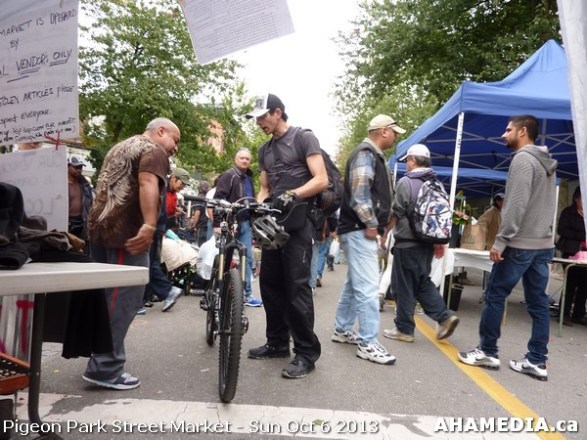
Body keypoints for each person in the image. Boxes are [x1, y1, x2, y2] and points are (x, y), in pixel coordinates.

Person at [82, 117, 181, 390]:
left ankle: (100, 357)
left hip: (100, 229)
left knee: (105, 298)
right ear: (160, 131)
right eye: (175, 140)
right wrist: (149, 224)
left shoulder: (119, 147)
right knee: (123, 299)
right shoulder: (154, 150)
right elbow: (147, 182)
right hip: (126, 234)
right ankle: (105, 367)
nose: (175, 148)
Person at [457, 115, 557, 381]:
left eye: (508, 129)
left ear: (523, 132)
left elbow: (515, 204)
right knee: (538, 303)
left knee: (495, 294)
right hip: (543, 242)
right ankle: (537, 360)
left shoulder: (523, 159)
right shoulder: (547, 163)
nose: (503, 134)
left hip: (520, 242)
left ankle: (487, 351)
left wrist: (501, 240)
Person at [245, 93, 328, 379]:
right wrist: (259, 205)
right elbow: (264, 188)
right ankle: (278, 343)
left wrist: (293, 194)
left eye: (262, 116)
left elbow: (321, 179)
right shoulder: (264, 150)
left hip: (299, 222)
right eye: (256, 118)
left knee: (296, 287)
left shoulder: (304, 137)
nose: (259, 122)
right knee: (270, 284)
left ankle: (306, 353)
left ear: (277, 112)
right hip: (272, 223)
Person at [332, 114, 404, 365]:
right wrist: (372, 223)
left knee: (356, 284)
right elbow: (360, 194)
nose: (396, 137)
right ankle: (368, 342)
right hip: (360, 228)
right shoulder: (366, 153)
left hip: (356, 227)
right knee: (369, 287)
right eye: (394, 132)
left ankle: (342, 329)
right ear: (383, 131)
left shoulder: (370, 154)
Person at [383, 143, 459, 344]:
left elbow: (396, 212)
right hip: (427, 243)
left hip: (407, 243)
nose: (406, 164)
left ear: (413, 160)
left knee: (402, 286)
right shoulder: (436, 184)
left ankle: (405, 329)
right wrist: (439, 242)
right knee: (421, 281)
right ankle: (444, 317)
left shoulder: (406, 182)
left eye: (408, 160)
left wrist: (384, 234)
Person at [213, 147, 262, 307]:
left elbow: (251, 200)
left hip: (245, 223)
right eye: (242, 158)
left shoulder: (248, 178)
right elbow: (217, 200)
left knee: (247, 258)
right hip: (230, 222)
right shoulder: (228, 176)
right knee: (225, 257)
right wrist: (217, 223)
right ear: (236, 159)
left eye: (247, 158)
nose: (245, 161)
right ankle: (219, 292)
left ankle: (247, 295)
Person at [556, 186, 587, 325]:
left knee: (584, 284)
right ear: (576, 199)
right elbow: (561, 230)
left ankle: (578, 314)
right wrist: (580, 235)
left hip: (585, 254)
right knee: (571, 283)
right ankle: (564, 314)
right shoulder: (568, 212)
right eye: (582, 199)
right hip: (571, 252)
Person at [67, 156, 94, 253]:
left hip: (83, 223)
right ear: (68, 167)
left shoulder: (85, 185)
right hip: (67, 224)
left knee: (83, 253)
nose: (79, 170)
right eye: (76, 167)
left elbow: (91, 203)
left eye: (80, 167)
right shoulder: (60, 184)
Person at [191, 180, 211, 246]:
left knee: (201, 246)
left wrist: (193, 226)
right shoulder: (210, 198)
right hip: (210, 225)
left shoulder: (197, 198)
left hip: (201, 226)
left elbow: (197, 213)